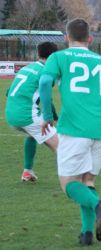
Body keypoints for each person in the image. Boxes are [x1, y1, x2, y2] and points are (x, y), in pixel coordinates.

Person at [39, 18, 101, 245]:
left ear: (66, 38)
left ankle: (98, 206)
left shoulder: (58, 57)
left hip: (74, 129)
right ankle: (86, 235)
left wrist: (47, 116)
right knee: (87, 181)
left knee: (69, 184)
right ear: (90, 39)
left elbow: (45, 83)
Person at [5, 42, 59, 182]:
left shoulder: (27, 68)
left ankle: (27, 172)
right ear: (53, 57)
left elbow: (8, 92)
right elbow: (47, 99)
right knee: (61, 146)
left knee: (32, 135)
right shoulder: (46, 72)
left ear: (38, 54)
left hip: (11, 114)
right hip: (27, 115)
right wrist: (53, 117)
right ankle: (73, 181)